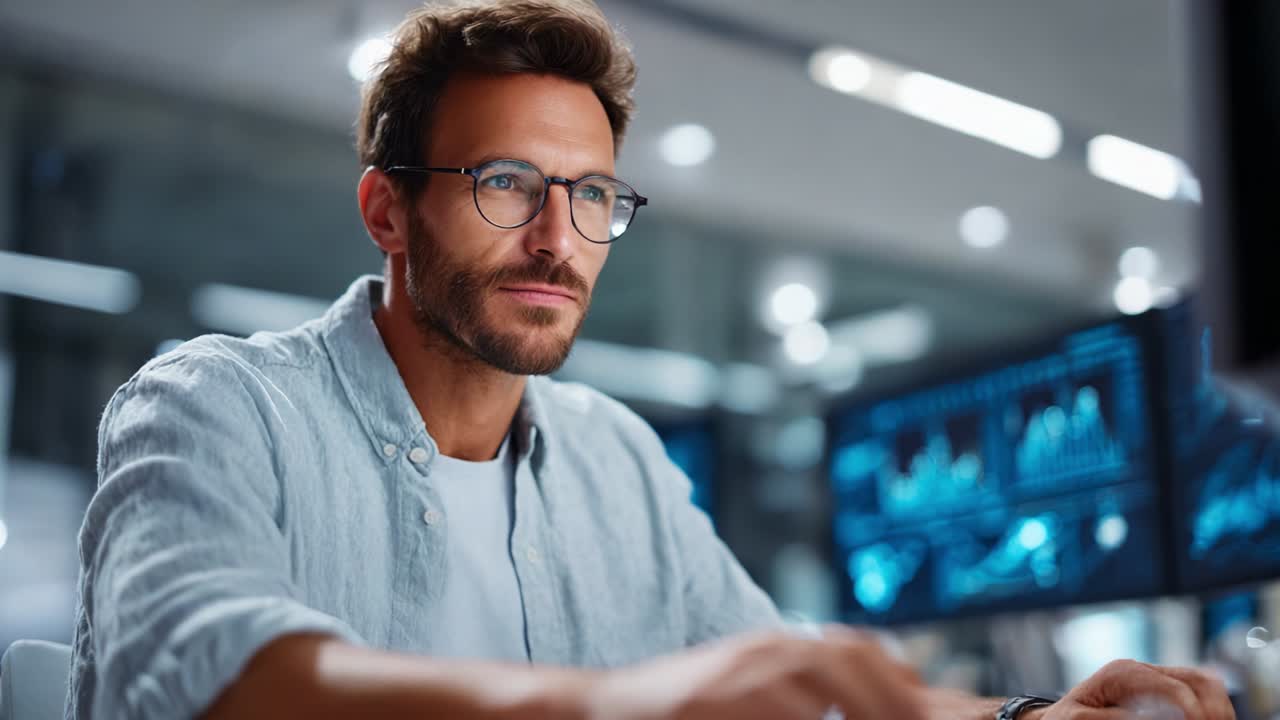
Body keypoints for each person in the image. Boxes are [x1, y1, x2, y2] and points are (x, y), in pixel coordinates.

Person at [65, 1, 1235, 719]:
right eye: (503, 184)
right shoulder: (213, 405)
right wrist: (618, 704)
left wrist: (1022, 718)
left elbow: (788, 688)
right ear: (385, 212)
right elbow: (201, 680)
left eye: (587, 196)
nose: (554, 240)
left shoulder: (611, 458)